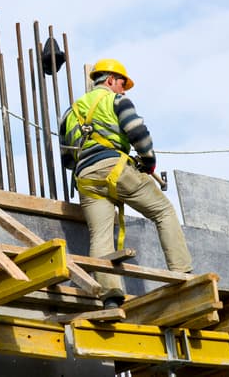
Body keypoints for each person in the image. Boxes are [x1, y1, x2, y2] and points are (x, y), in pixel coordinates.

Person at [59, 58, 193, 308]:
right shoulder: (116, 100)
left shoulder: (70, 113)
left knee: (99, 235)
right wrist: (148, 161)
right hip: (116, 168)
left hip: (86, 179)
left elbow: (67, 159)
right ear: (110, 80)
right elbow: (138, 133)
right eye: (122, 83)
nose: (123, 89)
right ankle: (183, 274)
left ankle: (110, 296)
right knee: (163, 211)